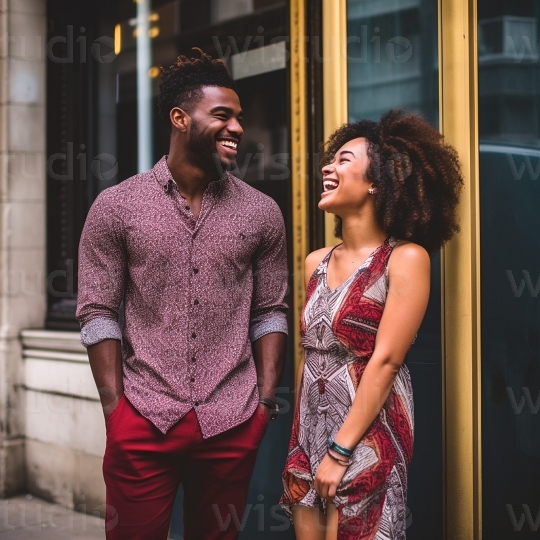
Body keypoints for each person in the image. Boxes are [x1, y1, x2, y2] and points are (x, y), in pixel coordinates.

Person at [76, 50, 288, 540]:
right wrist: (115, 408)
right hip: (143, 417)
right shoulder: (117, 207)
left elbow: (270, 310)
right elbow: (98, 311)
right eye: (223, 115)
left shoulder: (262, 213)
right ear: (180, 118)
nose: (237, 126)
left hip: (233, 419)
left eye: (238, 117)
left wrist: (264, 403)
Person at [280, 109, 463, 539]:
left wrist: (341, 451)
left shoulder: (405, 259)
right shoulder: (315, 263)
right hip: (309, 430)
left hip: (367, 437)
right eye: (331, 159)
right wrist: (303, 443)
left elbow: (385, 361)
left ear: (376, 181)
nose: (329, 167)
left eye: (344, 160)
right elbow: (309, 356)